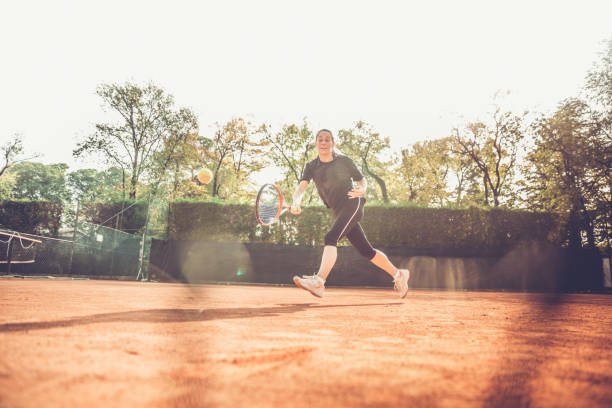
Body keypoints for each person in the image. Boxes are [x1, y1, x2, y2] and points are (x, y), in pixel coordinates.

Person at [290, 129, 410, 298]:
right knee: (366, 251)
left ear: (333, 143)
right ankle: (399, 274)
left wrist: (363, 189)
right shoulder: (311, 166)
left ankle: (319, 282)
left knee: (330, 237)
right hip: (338, 211)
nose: (324, 143)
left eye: (327, 140)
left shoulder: (343, 161)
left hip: (352, 203)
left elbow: (362, 179)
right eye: (320, 140)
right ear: (316, 143)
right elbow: (301, 188)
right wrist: (296, 201)